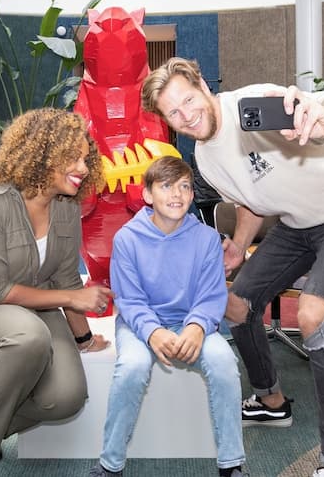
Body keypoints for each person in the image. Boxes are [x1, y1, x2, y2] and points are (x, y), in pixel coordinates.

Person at [141, 58, 324, 477]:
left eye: (188, 100)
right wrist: (238, 247)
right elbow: (250, 202)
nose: (186, 115)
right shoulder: (205, 158)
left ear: (203, 85)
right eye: (173, 113)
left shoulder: (253, 104)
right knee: (235, 304)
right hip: (298, 225)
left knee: (314, 313)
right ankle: (270, 400)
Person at [0, 108, 115, 477]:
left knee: (66, 398)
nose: (83, 167)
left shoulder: (66, 206)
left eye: (85, 158)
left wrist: (83, 339)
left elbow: (66, 277)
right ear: (42, 154)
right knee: (27, 335)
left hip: (35, 311)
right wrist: (71, 299)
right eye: (73, 157)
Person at [89, 155, 248, 477]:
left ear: (192, 195)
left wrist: (197, 326)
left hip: (191, 322)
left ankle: (231, 464)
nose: (177, 194)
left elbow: (211, 295)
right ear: (148, 195)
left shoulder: (206, 238)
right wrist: (153, 332)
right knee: (131, 367)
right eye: (166, 186)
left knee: (224, 363)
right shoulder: (127, 239)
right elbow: (130, 300)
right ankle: (110, 465)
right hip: (139, 325)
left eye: (184, 186)